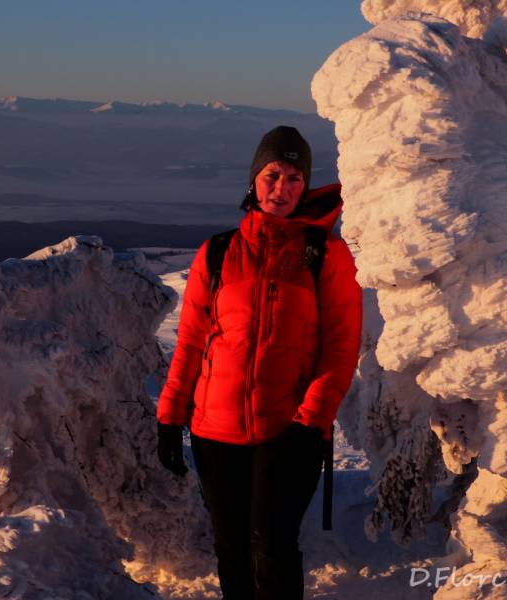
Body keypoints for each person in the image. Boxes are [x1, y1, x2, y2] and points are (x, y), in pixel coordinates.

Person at [156, 126, 363, 599]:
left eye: (294, 178)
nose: (281, 188)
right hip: (214, 433)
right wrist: (169, 417)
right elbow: (191, 342)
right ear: (254, 179)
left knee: (273, 549)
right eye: (272, 175)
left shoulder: (324, 255)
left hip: (288, 432)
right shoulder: (218, 252)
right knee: (231, 550)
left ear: (305, 186)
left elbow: (340, 348)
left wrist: (310, 424)